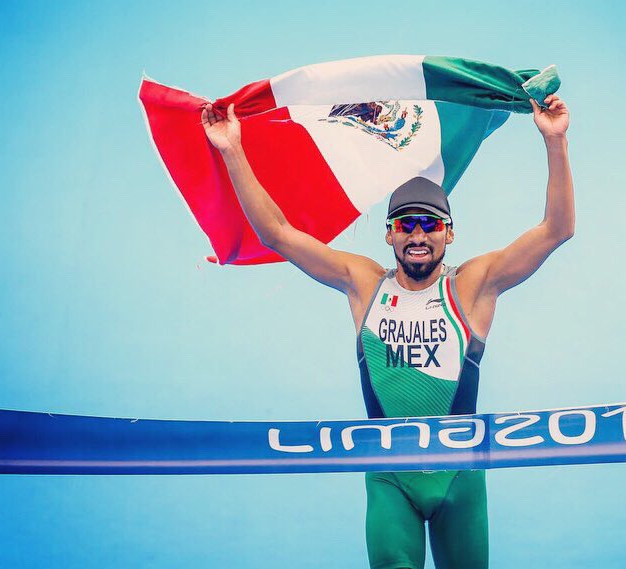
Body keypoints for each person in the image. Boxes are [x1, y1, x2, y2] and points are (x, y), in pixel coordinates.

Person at [201, 93, 573, 569]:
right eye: (406, 225)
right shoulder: (363, 284)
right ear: (389, 233)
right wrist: (232, 149)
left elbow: (556, 229)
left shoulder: (474, 286)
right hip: (388, 477)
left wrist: (556, 141)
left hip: (459, 476)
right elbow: (276, 233)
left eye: (430, 225)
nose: (418, 236)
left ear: (449, 233)